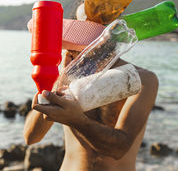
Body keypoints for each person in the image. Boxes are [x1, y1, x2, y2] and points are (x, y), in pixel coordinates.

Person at [24, 48, 158, 171]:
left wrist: (77, 120)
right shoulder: (64, 75)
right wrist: (61, 82)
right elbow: (31, 137)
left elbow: (118, 149)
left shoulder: (141, 79)